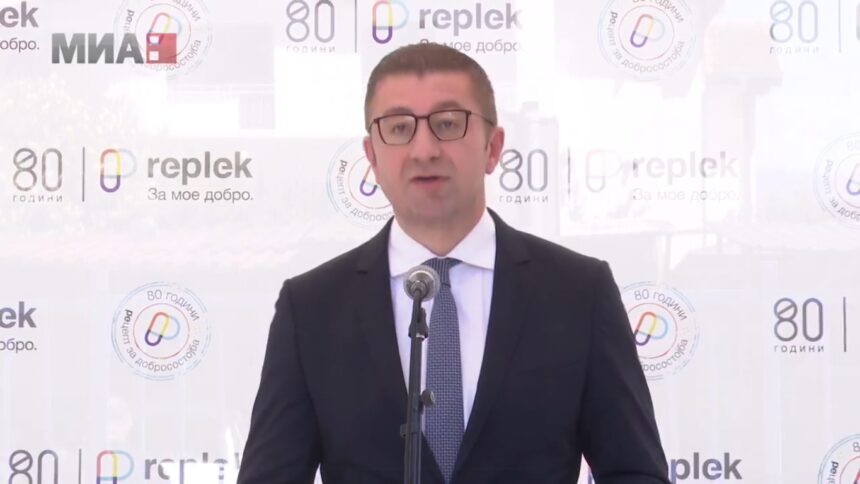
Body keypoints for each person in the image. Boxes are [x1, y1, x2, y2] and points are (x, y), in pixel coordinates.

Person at [237, 42, 670, 484]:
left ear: (493, 147)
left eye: (447, 124)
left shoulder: (578, 292)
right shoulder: (312, 308)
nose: (424, 149)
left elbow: (636, 473)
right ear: (372, 157)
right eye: (400, 128)